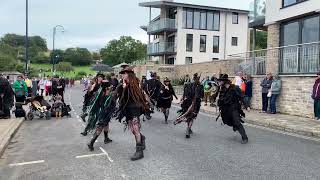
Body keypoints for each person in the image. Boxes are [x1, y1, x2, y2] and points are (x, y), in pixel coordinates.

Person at [114, 66, 149, 161]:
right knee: (133, 130)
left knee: (136, 128)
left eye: (124, 73)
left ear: (129, 74)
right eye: (122, 73)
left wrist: (126, 87)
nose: (122, 75)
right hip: (127, 109)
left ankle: (139, 151)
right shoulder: (122, 84)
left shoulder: (135, 83)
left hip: (135, 108)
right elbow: (120, 96)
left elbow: (135, 95)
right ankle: (142, 138)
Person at [217, 74, 248, 144]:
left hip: (234, 107)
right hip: (226, 109)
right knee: (227, 121)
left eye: (220, 81)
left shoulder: (235, 88)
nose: (219, 82)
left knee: (237, 122)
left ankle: (245, 137)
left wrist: (247, 106)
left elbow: (242, 96)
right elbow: (221, 99)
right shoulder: (222, 89)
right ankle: (234, 125)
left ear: (224, 82)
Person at [87, 80, 115, 151]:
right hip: (104, 113)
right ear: (106, 88)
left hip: (104, 113)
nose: (111, 86)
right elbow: (108, 104)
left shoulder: (101, 93)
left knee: (106, 124)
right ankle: (91, 143)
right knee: (100, 127)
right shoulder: (106, 95)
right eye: (109, 86)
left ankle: (106, 138)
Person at [174, 73, 204, 139]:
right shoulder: (197, 86)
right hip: (191, 103)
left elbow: (201, 96)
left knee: (190, 116)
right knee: (190, 117)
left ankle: (188, 128)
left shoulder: (190, 85)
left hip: (191, 103)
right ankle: (188, 129)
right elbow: (202, 96)